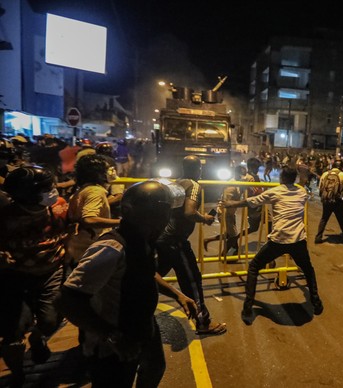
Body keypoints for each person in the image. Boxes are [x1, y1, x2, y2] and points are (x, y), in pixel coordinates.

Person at [55, 180, 194, 387]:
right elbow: (67, 298)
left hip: (142, 324)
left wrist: (177, 294)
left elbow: (144, 273)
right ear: (141, 216)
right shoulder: (110, 248)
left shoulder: (141, 238)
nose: (163, 223)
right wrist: (112, 336)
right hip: (114, 338)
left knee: (155, 366)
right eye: (158, 217)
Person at [221, 166, 323, 324]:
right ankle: (316, 301)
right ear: (294, 179)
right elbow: (303, 185)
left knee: (254, 267)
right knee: (308, 269)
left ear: (281, 178)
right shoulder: (301, 192)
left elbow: (251, 202)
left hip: (279, 240)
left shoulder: (275, 192)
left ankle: (248, 307)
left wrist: (230, 203)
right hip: (298, 240)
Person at [0, 166, 68, 386]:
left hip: (52, 272)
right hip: (14, 278)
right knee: (13, 334)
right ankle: (18, 375)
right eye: (47, 188)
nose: (54, 190)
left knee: (50, 321)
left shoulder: (59, 207)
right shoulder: (5, 215)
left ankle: (38, 338)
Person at [155, 156, 227, 335]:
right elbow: (189, 212)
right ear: (198, 170)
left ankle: (130, 302)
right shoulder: (194, 185)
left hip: (163, 237)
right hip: (175, 241)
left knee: (153, 276)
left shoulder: (175, 184)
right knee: (192, 280)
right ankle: (203, 322)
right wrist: (205, 218)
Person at [66, 154, 121, 269]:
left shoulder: (85, 189)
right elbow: (89, 219)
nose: (111, 172)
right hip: (90, 251)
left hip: (78, 250)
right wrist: (121, 222)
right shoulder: (95, 191)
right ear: (98, 173)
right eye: (107, 169)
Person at [203, 165, 247, 256]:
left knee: (230, 235)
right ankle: (224, 255)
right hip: (225, 213)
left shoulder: (239, 183)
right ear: (236, 173)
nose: (243, 177)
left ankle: (208, 240)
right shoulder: (231, 185)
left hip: (231, 213)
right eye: (241, 175)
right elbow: (226, 202)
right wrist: (226, 217)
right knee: (234, 236)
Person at [314, 160, 343, 245]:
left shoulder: (325, 174)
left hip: (327, 199)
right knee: (342, 220)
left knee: (324, 218)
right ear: (341, 167)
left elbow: (320, 186)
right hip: (337, 200)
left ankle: (318, 237)